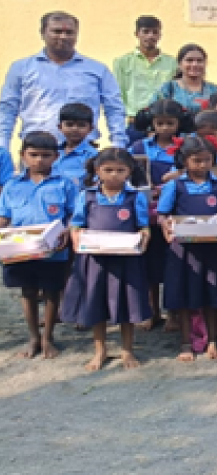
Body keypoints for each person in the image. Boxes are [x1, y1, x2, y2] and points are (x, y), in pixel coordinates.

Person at [61, 149, 151, 371]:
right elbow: (77, 224)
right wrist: (77, 240)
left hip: (126, 260)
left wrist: (144, 239)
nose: (114, 175)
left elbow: (143, 226)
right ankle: (100, 350)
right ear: (97, 170)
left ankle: (127, 349)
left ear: (129, 171)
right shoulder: (87, 196)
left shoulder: (135, 197)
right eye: (108, 170)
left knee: (127, 304)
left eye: (120, 170)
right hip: (95, 260)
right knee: (96, 303)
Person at [158, 136, 217, 362]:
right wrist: (165, 225)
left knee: (212, 291)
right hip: (184, 249)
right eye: (196, 161)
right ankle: (186, 342)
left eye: (207, 160)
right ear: (184, 160)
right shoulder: (175, 185)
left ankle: (212, 340)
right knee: (184, 294)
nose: (202, 165)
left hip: (213, 247)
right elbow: (163, 214)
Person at [0, 11, 128, 149]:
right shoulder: (21, 68)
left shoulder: (98, 70)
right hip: (37, 151)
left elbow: (114, 109)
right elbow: (7, 109)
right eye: (57, 31)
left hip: (83, 152)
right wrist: (3, 146)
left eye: (69, 32)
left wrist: (118, 144)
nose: (63, 36)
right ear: (42, 33)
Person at [0, 131, 77, 359]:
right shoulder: (12, 185)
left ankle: (48, 337)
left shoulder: (64, 184)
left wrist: (67, 229)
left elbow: (74, 214)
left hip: (54, 248)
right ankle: (33, 336)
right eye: (33, 155)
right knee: (28, 290)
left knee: (52, 291)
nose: (39, 160)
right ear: (22, 155)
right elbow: (4, 216)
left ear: (56, 157)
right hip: (20, 249)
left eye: (45, 155)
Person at [130, 99, 195, 330]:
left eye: (170, 123)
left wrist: (175, 178)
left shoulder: (187, 146)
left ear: (179, 123)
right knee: (149, 262)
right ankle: (152, 310)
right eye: (160, 123)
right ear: (152, 123)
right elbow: (131, 174)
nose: (165, 128)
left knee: (174, 263)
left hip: (177, 207)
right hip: (147, 208)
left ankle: (174, 312)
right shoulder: (140, 147)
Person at [113, 16, 178, 142]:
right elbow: (117, 94)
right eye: (146, 31)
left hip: (164, 125)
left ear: (160, 35)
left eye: (155, 32)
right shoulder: (122, 62)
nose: (150, 36)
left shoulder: (172, 63)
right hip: (135, 123)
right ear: (137, 34)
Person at [152, 44, 217, 114]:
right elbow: (154, 113)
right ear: (179, 64)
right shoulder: (167, 89)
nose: (195, 64)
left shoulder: (215, 90)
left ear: (205, 64)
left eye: (199, 61)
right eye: (189, 60)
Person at [52, 103, 98, 189]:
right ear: (60, 127)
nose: (75, 129)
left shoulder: (92, 155)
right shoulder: (52, 151)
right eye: (69, 125)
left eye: (81, 125)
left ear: (91, 129)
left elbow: (94, 184)